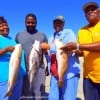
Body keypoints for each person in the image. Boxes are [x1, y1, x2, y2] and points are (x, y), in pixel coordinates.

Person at [61, 2, 100, 100]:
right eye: (87, 11)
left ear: (99, 11)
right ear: (85, 15)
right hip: (88, 77)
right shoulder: (81, 30)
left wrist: (77, 45)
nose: (90, 12)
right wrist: (74, 51)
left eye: (93, 9)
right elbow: (82, 52)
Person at [15, 13, 48, 100]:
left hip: (39, 68)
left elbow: (46, 51)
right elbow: (15, 51)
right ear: (25, 22)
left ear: (36, 22)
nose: (30, 24)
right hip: (24, 68)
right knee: (26, 91)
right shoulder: (19, 35)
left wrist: (47, 66)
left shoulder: (42, 35)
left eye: (33, 22)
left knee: (38, 91)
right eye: (28, 22)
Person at [48, 16, 80, 100]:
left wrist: (49, 47)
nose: (57, 24)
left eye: (60, 22)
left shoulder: (68, 32)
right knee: (52, 97)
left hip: (69, 74)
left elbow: (70, 46)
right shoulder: (51, 36)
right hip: (55, 74)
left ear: (63, 24)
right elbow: (49, 54)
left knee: (68, 98)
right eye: (55, 22)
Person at [0, 17, 26, 100]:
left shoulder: (12, 39)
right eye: (1, 26)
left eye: (6, 25)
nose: (5, 27)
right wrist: (6, 49)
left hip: (18, 77)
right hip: (4, 79)